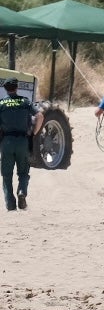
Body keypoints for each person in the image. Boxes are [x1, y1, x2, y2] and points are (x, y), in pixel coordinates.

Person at [0, 78, 44, 211]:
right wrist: (34, 132)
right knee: (23, 172)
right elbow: (40, 116)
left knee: (7, 175)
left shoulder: (1, 103)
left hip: (6, 142)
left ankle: (10, 205)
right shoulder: (25, 101)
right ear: (17, 87)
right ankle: (22, 192)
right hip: (22, 141)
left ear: (6, 89)